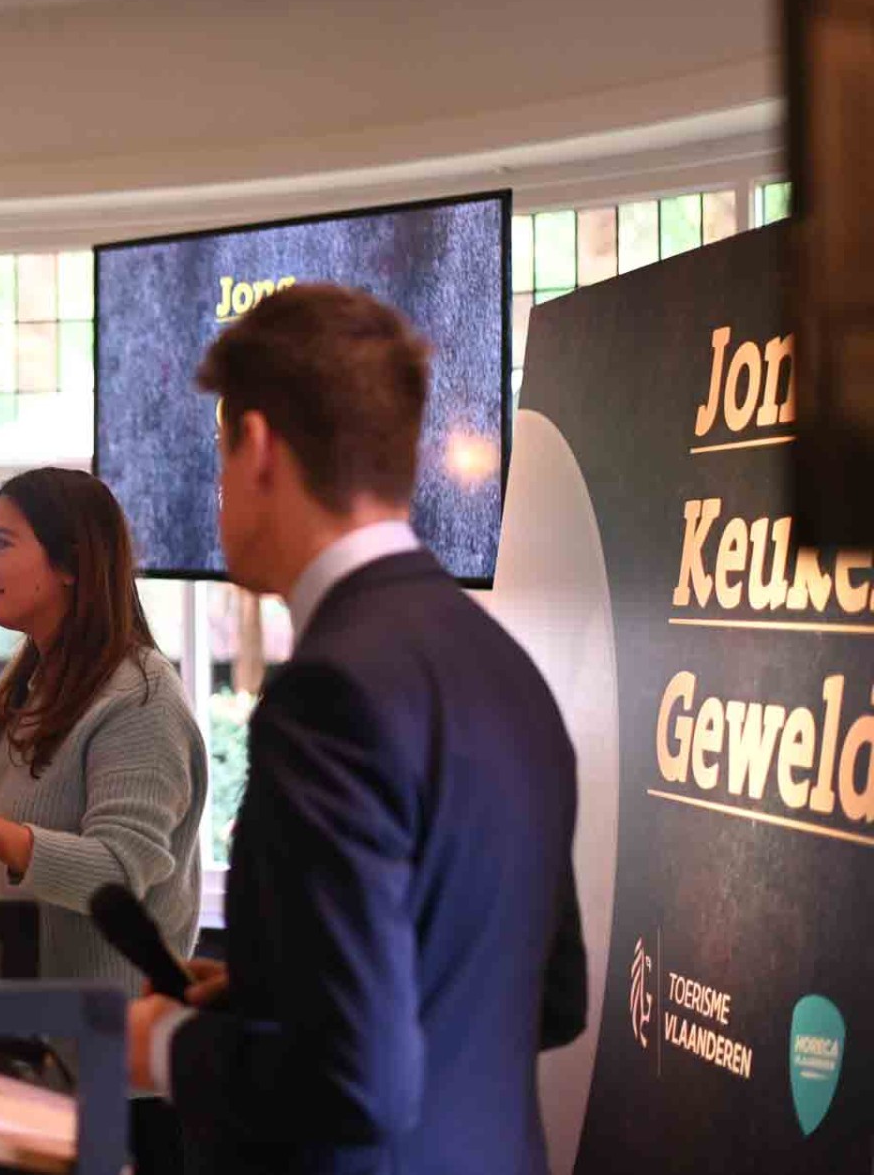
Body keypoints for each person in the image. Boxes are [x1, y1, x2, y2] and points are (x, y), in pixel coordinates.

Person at [127, 284, 586, 1173]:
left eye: (219, 459)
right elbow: (548, 998)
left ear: (258, 446)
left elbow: (356, 1083)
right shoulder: (508, 668)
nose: (219, 493)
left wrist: (165, 1046)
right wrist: (269, 993)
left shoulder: (328, 697)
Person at [0, 465, 208, 1169]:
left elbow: (120, 873)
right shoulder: (35, 685)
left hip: (111, 1081)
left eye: (2, 543)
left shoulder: (141, 699)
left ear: (70, 563)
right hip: (24, 1053)